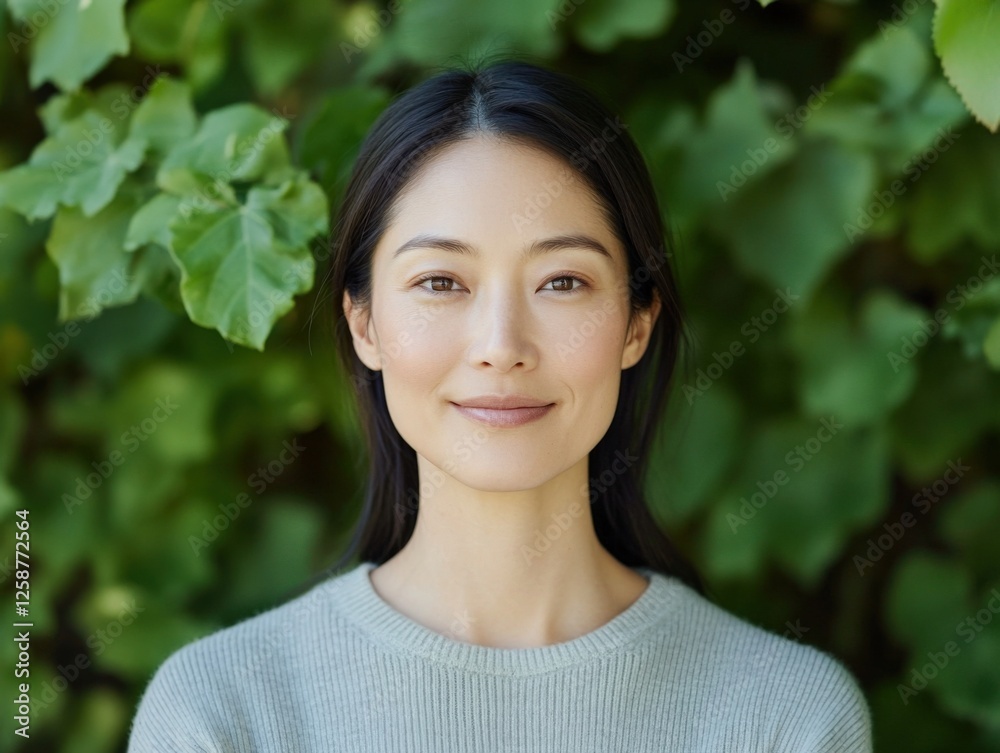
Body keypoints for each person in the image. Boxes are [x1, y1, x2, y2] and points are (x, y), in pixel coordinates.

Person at [126, 56, 873, 752]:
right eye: (441, 283)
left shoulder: (787, 717)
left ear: (636, 323)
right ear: (365, 324)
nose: (500, 345)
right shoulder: (222, 714)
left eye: (562, 282)